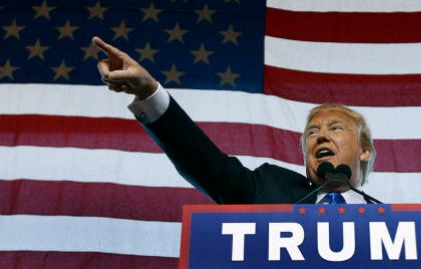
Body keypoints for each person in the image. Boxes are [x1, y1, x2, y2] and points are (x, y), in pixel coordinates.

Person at [92, 36, 377, 204]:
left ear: (364, 150)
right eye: (312, 133)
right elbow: (205, 164)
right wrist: (149, 92)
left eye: (335, 128)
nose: (321, 137)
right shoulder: (268, 187)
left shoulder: (394, 228)